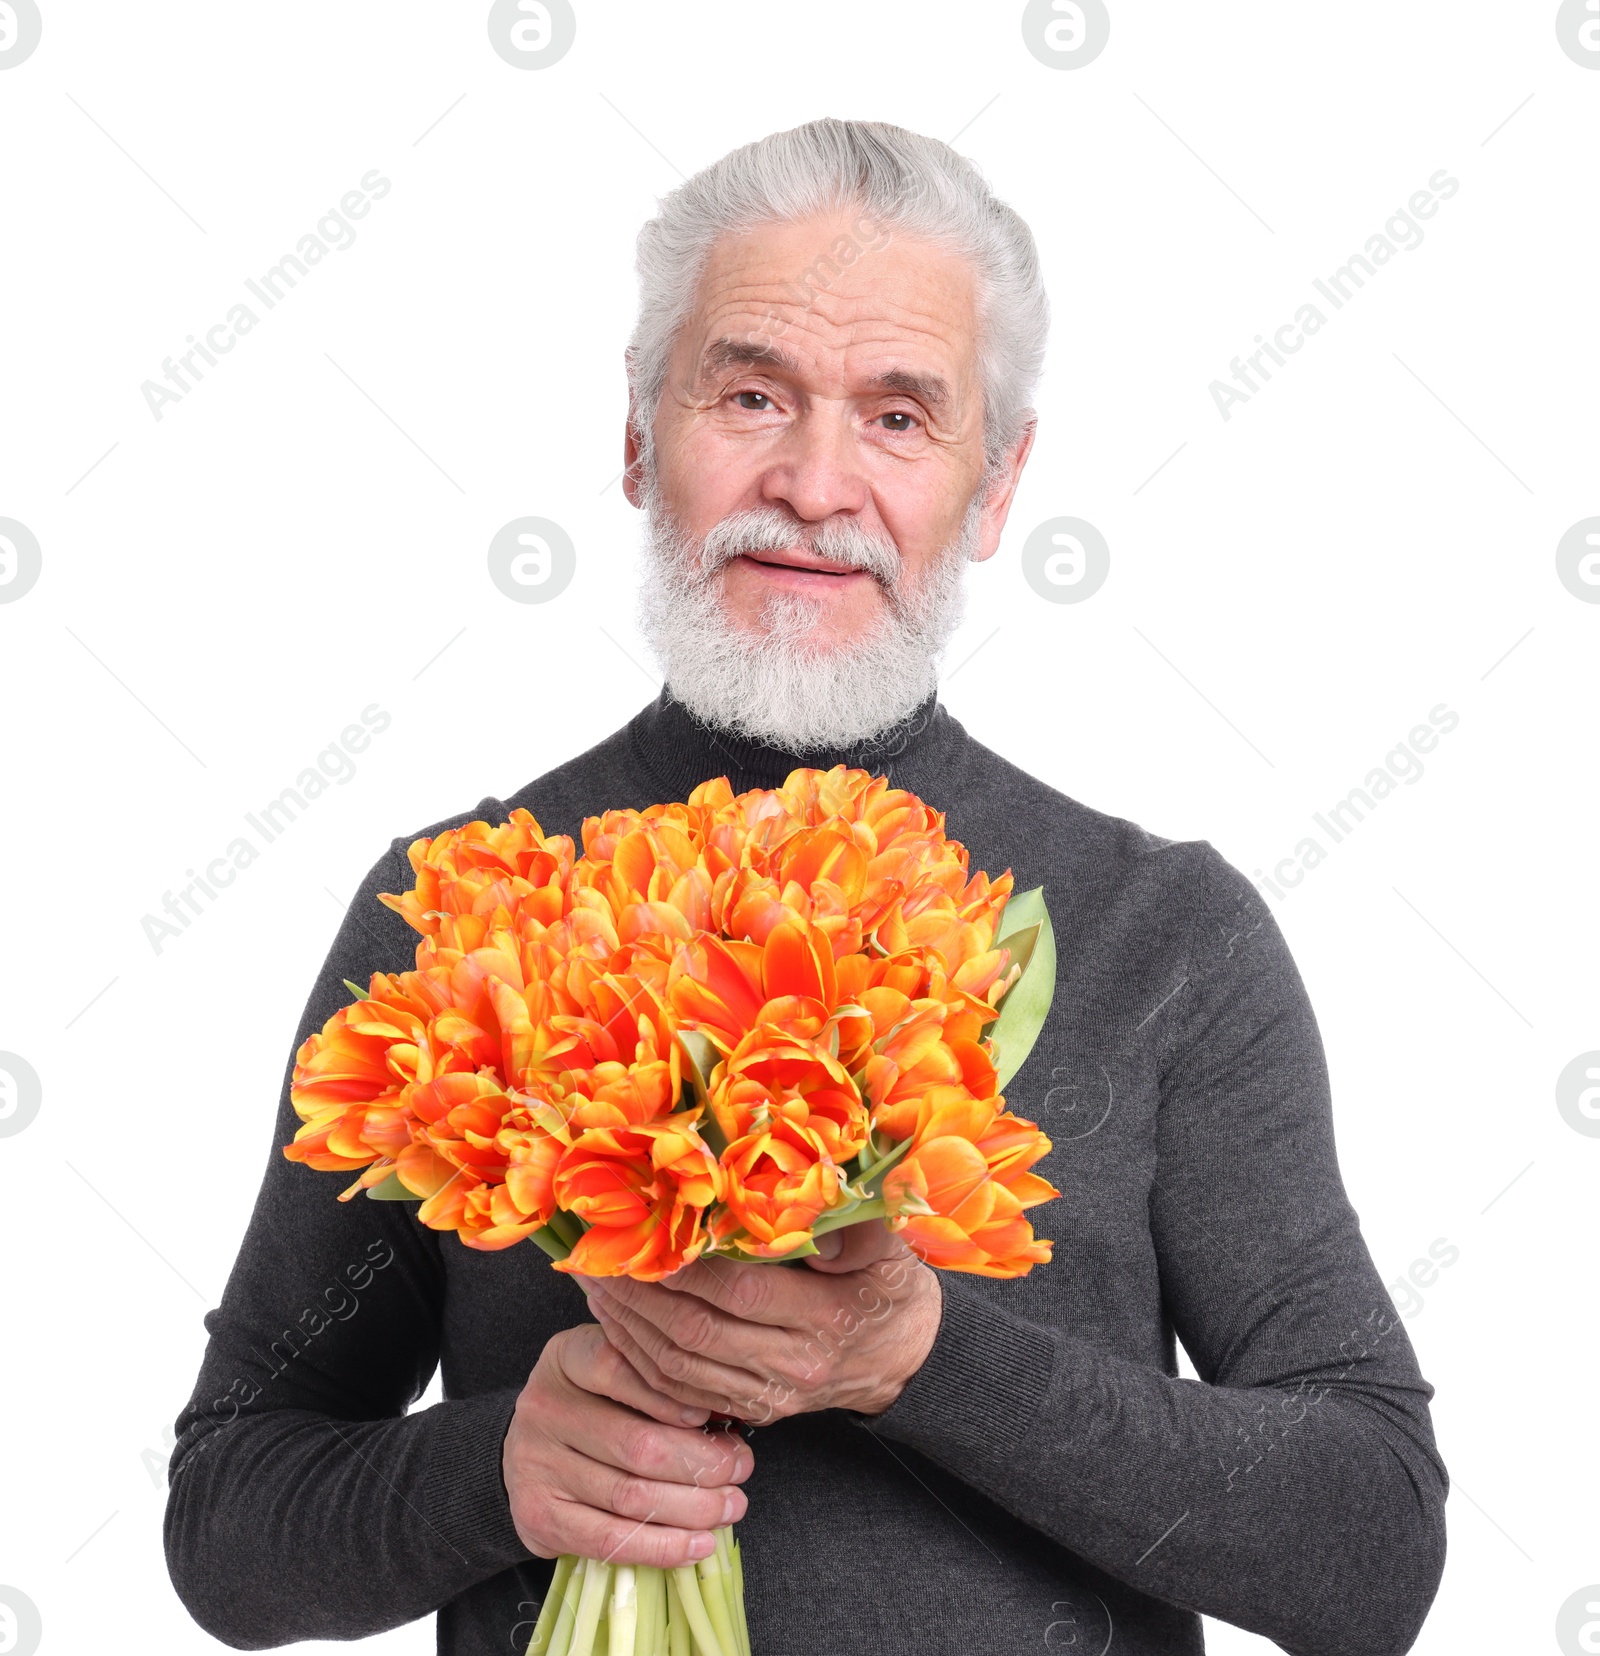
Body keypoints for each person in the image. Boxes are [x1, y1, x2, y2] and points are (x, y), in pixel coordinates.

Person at [166, 119, 1446, 1655]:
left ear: (995, 484)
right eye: (751, 393)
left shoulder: (1163, 936)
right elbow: (227, 1523)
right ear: (641, 436)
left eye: (901, 417)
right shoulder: (456, 914)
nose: (816, 482)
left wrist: (916, 1353)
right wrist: (493, 1470)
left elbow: (1375, 1552)